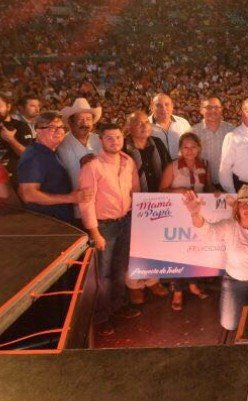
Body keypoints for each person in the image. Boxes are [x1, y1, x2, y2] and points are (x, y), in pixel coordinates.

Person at [182, 185, 248, 332]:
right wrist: (195, 214)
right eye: (244, 205)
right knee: (229, 325)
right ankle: (244, 298)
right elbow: (207, 233)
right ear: (237, 209)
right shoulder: (229, 225)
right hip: (234, 280)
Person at [78, 122, 142, 337]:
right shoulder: (92, 166)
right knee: (102, 275)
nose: (115, 142)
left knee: (120, 268)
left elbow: (135, 190)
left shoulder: (128, 161)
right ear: (101, 140)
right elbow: (86, 202)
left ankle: (118, 306)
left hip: (125, 220)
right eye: (109, 138)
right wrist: (94, 233)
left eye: (118, 137)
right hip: (104, 225)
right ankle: (101, 317)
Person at [121, 109, 172, 303]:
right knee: (134, 246)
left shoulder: (157, 143)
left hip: (158, 201)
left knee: (154, 244)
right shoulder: (123, 147)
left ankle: (152, 281)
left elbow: (168, 166)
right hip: (133, 203)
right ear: (129, 127)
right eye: (138, 123)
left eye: (146, 123)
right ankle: (134, 284)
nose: (144, 126)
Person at [160, 132, 213, 311]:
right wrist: (178, 191)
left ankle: (193, 284)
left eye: (193, 147)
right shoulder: (172, 167)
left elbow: (209, 187)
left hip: (196, 215)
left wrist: (217, 193)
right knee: (178, 253)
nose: (189, 151)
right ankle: (178, 291)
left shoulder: (205, 165)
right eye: (185, 147)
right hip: (176, 217)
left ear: (198, 148)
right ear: (180, 149)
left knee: (194, 251)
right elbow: (161, 191)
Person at [19, 111, 90, 224]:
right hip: (46, 225)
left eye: (61, 127)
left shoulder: (50, 152)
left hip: (57, 222)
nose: (59, 131)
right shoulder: (34, 156)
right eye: (52, 127)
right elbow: (28, 194)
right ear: (38, 131)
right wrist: (70, 198)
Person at [0, 93, 34, 178]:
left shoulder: (21, 126)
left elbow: (28, 155)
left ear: (8, 107)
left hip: (16, 178)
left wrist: (11, 139)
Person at [57, 97, 104, 192]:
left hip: (101, 198)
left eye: (88, 119)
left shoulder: (99, 140)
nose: (85, 123)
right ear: (71, 122)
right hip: (75, 201)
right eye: (80, 119)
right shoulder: (60, 143)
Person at [191, 96, 234, 189]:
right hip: (202, 184)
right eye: (209, 107)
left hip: (228, 184)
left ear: (221, 109)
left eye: (217, 107)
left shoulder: (231, 130)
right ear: (201, 110)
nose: (213, 110)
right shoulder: (193, 132)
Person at [149, 93, 192, 160]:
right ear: (152, 108)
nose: (164, 108)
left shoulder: (183, 123)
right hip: (156, 169)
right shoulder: (145, 126)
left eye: (167, 104)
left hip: (181, 167)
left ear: (172, 106)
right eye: (158, 105)